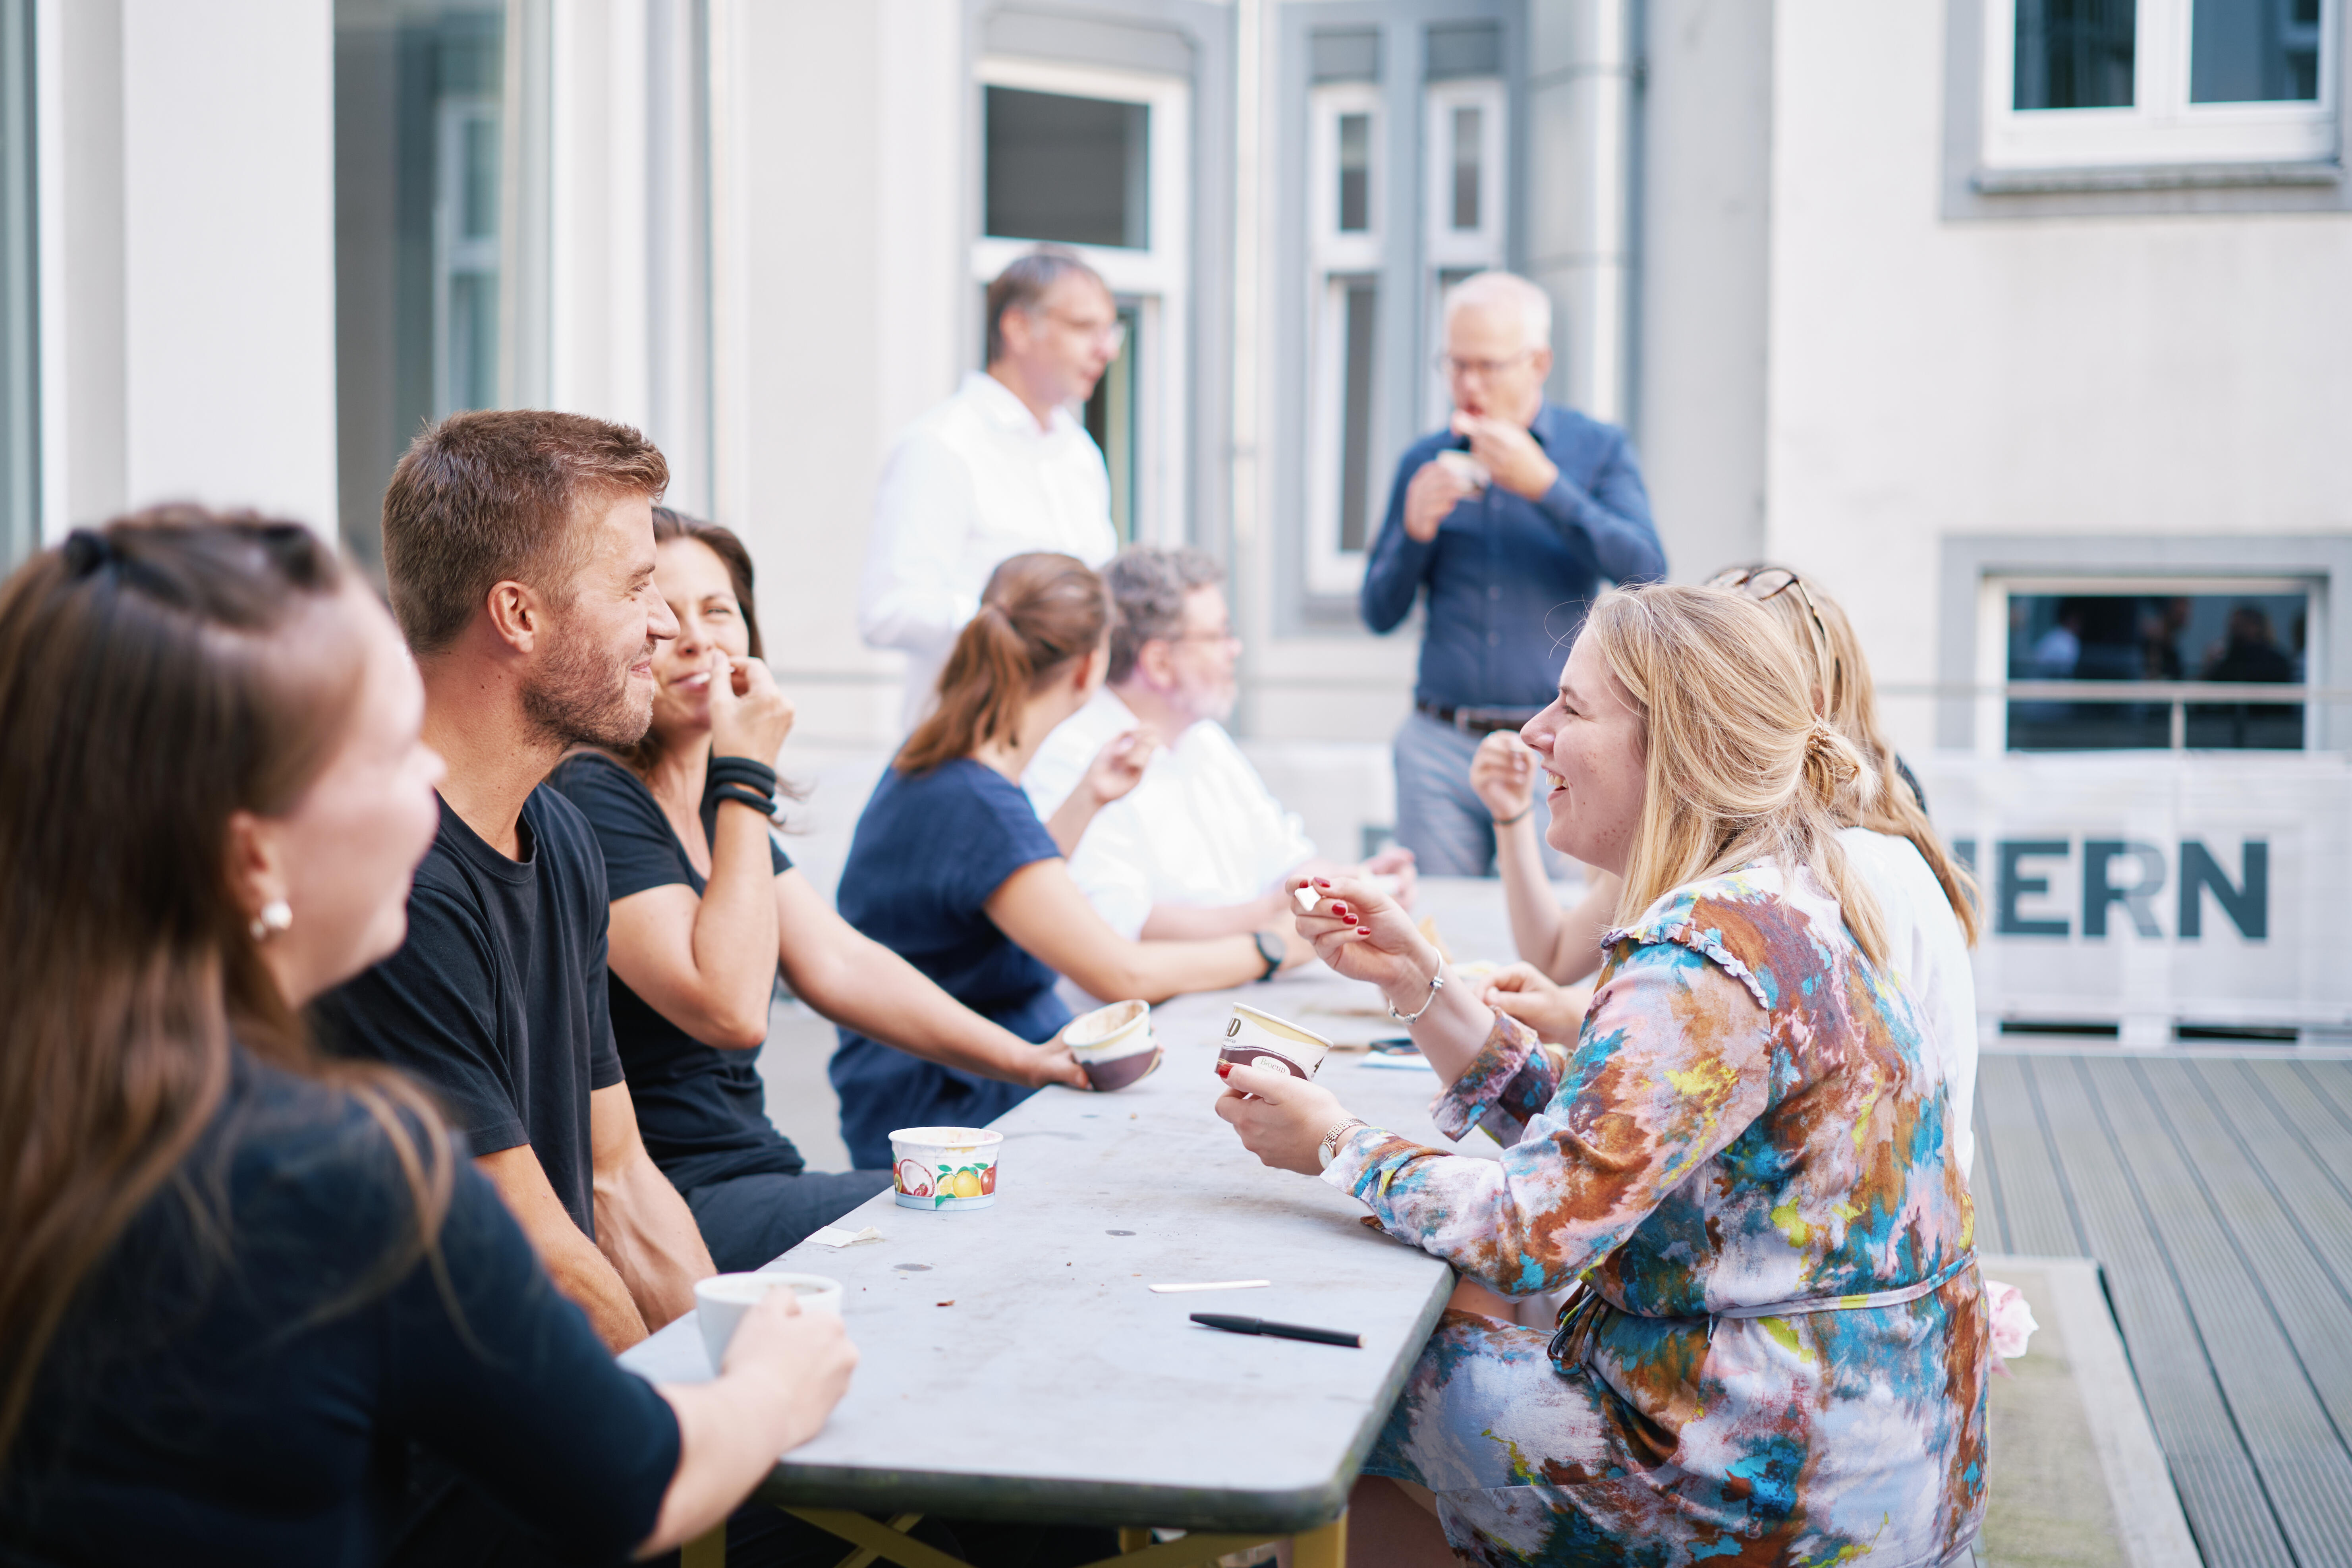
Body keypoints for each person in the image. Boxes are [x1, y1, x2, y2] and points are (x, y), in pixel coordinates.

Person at [0, 511, 854, 1565]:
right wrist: (772, 1379)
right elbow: (633, 1479)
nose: (426, 782)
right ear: (254, 858)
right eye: (385, 751)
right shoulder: (337, 1175)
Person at [1216, 584, 1985, 1567]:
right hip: (1874, 1469)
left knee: (1351, 1377)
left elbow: (1529, 1231)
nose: (1534, 732)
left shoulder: (1700, 954)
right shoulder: (1790, 899)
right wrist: (1421, 980)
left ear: (1672, 746)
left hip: (1761, 1494)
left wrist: (1333, 1142)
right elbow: (1609, 1147)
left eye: (1572, 709)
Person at [549, 509, 1090, 1273]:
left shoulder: (710, 800)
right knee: (978, 1222)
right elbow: (729, 1010)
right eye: (665, 614)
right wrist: (746, 774)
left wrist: (1031, 1061)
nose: (699, 637)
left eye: (718, 610)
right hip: (671, 1201)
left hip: (755, 1170)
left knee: (1001, 1198)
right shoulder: (596, 793)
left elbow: (839, 963)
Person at [309, 409, 713, 1356]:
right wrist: (700, 1436)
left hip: (548, 1412)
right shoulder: (395, 881)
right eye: (637, 588)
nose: (664, 625)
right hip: (442, 1462)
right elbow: (542, 1256)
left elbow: (619, 1180)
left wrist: (734, 1369)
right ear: (518, 615)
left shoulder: (561, 832)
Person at [1470, 564, 1985, 1176]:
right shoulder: (1777, 868)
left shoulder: (1795, 896)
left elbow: (1541, 1217)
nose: (1534, 731)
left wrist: (1338, 1138)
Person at [831, 552, 1312, 1168]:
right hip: (954, 1106)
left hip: (958, 1076)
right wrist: (1273, 948)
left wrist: (1087, 800)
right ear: (1090, 668)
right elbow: (1121, 976)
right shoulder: (975, 798)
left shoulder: (942, 764)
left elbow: (991, 894)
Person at [1359, 270, 1666, 877]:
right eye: (1455, 364)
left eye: (1487, 366)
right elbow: (1378, 611)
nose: (1468, 384)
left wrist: (1548, 488)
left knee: (1557, 933)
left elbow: (1647, 570)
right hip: (1439, 745)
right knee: (1439, 933)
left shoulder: (1594, 449)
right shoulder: (1423, 459)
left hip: (1555, 744)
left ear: (1537, 363)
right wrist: (1414, 534)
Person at [1022, 545, 1417, 940]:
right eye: (1220, 635)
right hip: (1157, 1000)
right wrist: (1277, 914)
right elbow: (1124, 927)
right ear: (1159, 663)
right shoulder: (1076, 755)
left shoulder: (1203, 738)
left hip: (1243, 983)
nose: (1235, 649)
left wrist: (1357, 887)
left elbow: (1286, 866)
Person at [861, 249, 1122, 726]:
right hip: (969, 745)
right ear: (1019, 328)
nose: (1108, 350)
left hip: (1068, 746)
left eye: (1111, 330)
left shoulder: (1079, 452)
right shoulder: (942, 445)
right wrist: (1027, 625)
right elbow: (889, 612)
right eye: (1086, 328)